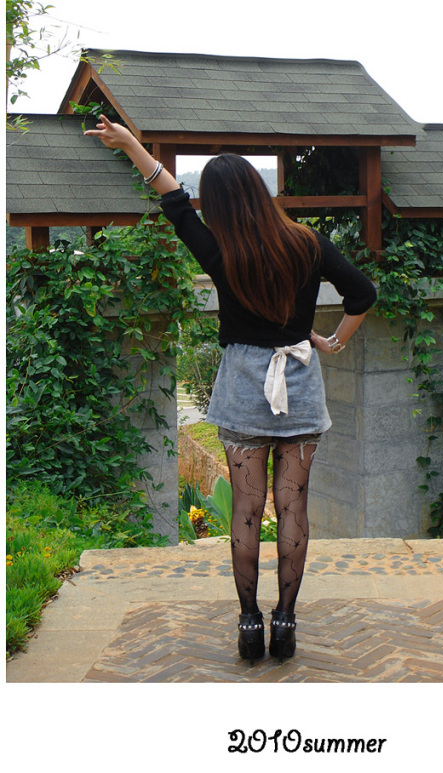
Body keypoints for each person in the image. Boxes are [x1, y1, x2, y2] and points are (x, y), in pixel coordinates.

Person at [85, 116, 377, 664]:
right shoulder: (308, 243)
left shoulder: (219, 251)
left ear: (218, 205)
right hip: (300, 385)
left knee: (246, 509)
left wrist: (129, 145)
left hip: (243, 388)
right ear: (259, 192)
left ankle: (248, 622)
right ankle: (285, 620)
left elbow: (174, 200)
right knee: (293, 507)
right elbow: (362, 293)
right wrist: (330, 341)